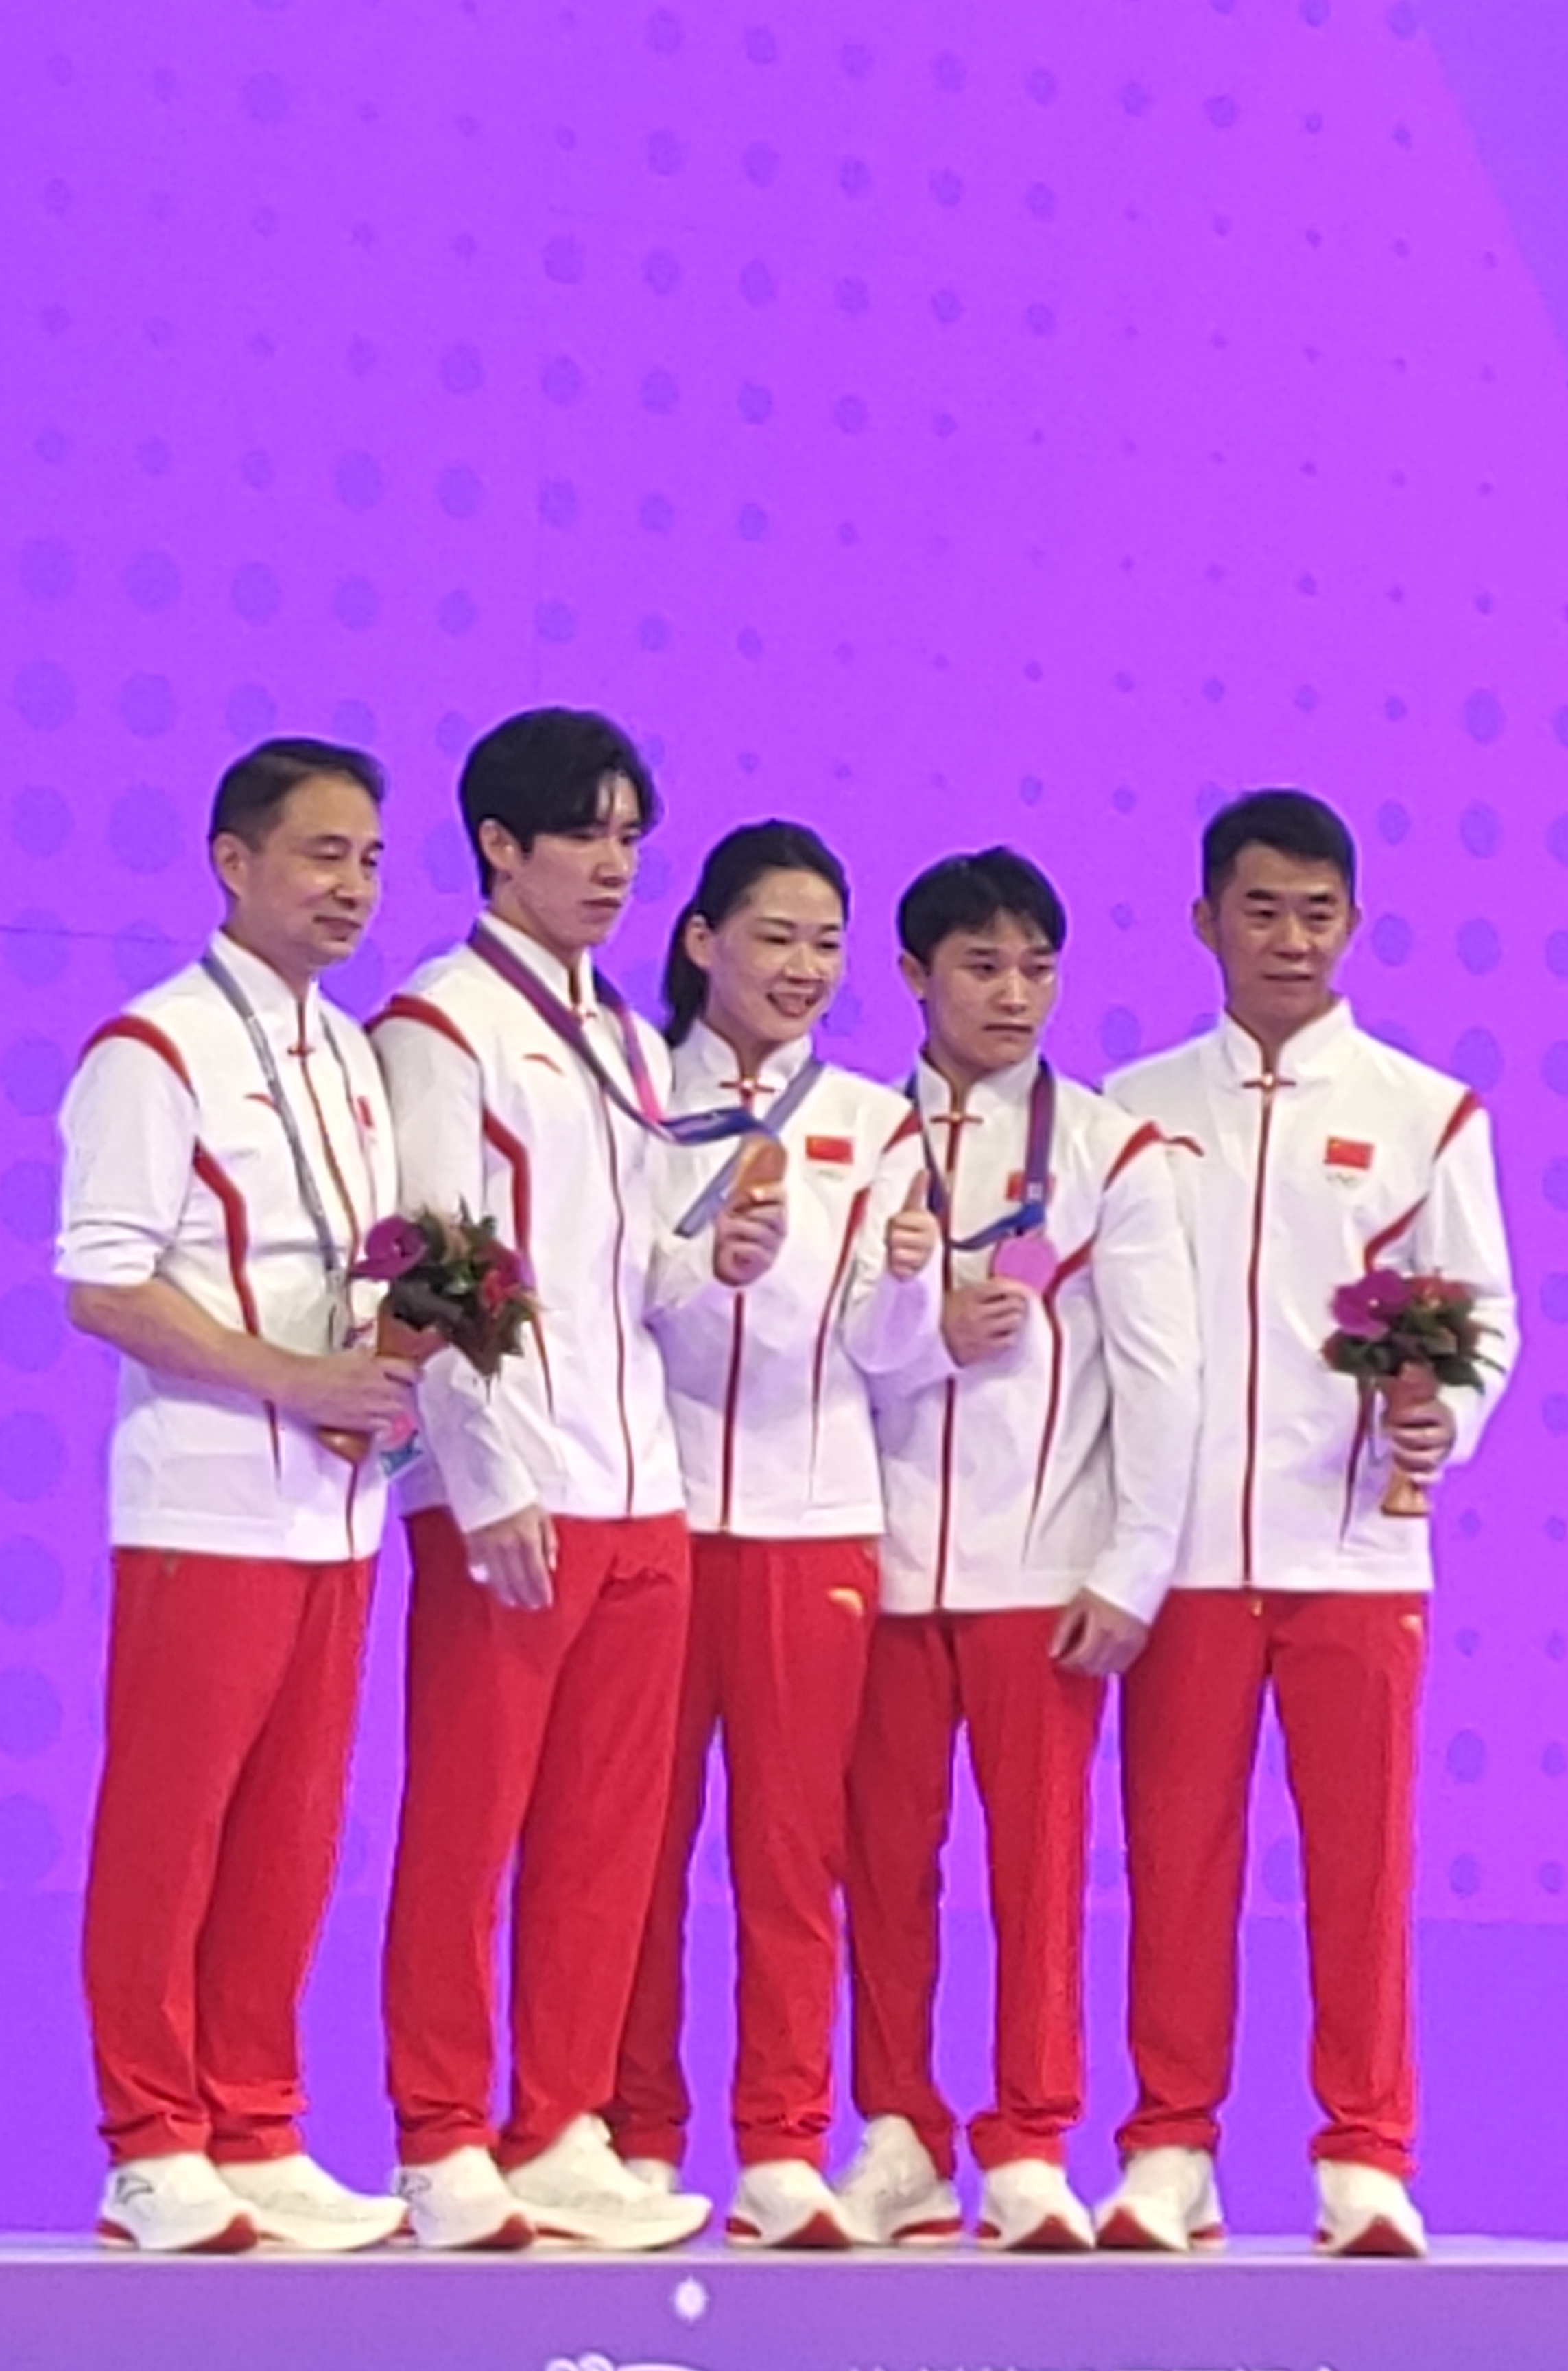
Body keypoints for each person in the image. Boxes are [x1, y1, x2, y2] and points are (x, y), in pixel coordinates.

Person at [369, 709, 778, 2252]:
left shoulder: (625, 1038)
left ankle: (557, 2126)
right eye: (583, 834)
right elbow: (430, 1266)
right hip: (514, 1493)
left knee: (608, 1833)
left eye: (628, 838)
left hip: (641, 1485)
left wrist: (714, 1252)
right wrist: (483, 1476)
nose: (613, 866)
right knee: (469, 1825)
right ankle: (438, 2131)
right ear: (498, 844)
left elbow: (630, 1275)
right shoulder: (440, 1024)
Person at [1094, 789, 1518, 2258]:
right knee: (1175, 1862)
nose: (1290, 939)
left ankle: (1366, 2157)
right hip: (1185, 1562)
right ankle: (1169, 2145)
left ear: (1354, 925)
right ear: (1205, 920)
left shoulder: (1425, 1114)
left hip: (1355, 1552)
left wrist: (1441, 1419)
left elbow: (1483, 1315)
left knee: (1362, 1868)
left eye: (1317, 914)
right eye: (1261, 910)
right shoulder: (1132, 1112)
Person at [54, 738, 423, 2255]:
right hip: (204, 1507)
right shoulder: (153, 1049)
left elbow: (371, 1260)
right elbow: (104, 1285)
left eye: (371, 861)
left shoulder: (352, 1057)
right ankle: (150, 2143)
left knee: (294, 1833)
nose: (352, 888)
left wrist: (400, 1350)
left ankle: (256, 2127)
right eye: (323, 854)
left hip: (337, 1513)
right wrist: (296, 1381)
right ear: (233, 860)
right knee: (172, 1831)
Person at [834, 848, 1200, 2252]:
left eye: (1037, 968)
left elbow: (1162, 1379)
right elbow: (817, 1348)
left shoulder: (1110, 1152)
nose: (1014, 994)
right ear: (913, 975)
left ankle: (1032, 2137)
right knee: (884, 1865)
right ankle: (898, 2131)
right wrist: (927, 1329)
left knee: (1038, 1874)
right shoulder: (857, 1137)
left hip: (1044, 1578)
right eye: (981, 966)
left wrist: (1133, 1566)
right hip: (878, 1567)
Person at [606, 823, 942, 2249]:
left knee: (792, 1855)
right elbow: (607, 1300)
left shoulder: (872, 1122)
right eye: (774, 937)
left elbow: (890, 1356)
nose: (803, 967)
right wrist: (705, 1267)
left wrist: (912, 1285)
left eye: (826, 944)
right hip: (660, 1512)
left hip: (818, 1528)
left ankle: (782, 2141)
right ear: (701, 942)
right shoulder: (629, 1095)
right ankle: (631, 2135)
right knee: (633, 1847)